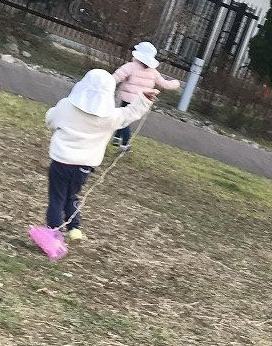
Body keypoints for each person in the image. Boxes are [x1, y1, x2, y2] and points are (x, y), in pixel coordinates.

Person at [44, 69, 152, 239]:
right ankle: (74, 229)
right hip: (84, 167)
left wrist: (53, 115)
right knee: (72, 195)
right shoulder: (110, 117)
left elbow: (50, 119)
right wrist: (144, 100)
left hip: (61, 162)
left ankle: (53, 233)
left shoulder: (66, 106)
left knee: (57, 197)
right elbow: (129, 113)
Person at [112, 42, 180, 150]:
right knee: (126, 119)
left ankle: (125, 143)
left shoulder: (130, 67)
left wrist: (105, 81)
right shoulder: (153, 72)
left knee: (124, 120)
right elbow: (164, 83)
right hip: (141, 101)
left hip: (127, 98)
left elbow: (116, 77)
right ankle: (117, 137)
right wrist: (175, 83)